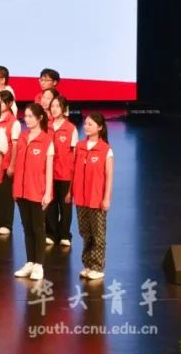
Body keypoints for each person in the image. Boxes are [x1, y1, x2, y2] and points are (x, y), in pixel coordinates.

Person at [11, 103, 54, 282]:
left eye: (30, 116)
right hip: (21, 190)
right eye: (26, 116)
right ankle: (29, 261)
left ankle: (39, 264)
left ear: (40, 118)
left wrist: (48, 193)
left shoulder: (46, 141)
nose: (27, 119)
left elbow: (49, 169)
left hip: (37, 191)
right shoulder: (22, 138)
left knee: (38, 228)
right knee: (27, 227)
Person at [68, 112, 113, 281]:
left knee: (98, 234)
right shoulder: (80, 147)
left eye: (90, 124)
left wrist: (106, 198)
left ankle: (98, 266)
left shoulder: (105, 150)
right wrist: (70, 192)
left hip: (96, 198)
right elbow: (74, 171)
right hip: (81, 197)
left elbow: (109, 176)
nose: (86, 127)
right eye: (86, 123)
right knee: (85, 232)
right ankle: (87, 264)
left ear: (100, 127)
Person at [0, 90, 20, 245]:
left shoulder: (14, 122)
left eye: (2, 102)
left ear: (10, 103)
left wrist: (12, 164)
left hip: (6, 163)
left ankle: (7, 223)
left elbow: (15, 145)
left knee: (6, 195)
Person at [45, 95, 78, 247]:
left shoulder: (71, 128)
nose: (54, 109)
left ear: (64, 109)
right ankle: (51, 233)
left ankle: (65, 234)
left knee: (65, 206)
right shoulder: (46, 126)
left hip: (65, 173)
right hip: (49, 173)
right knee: (50, 204)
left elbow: (75, 153)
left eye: (57, 106)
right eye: (52, 106)